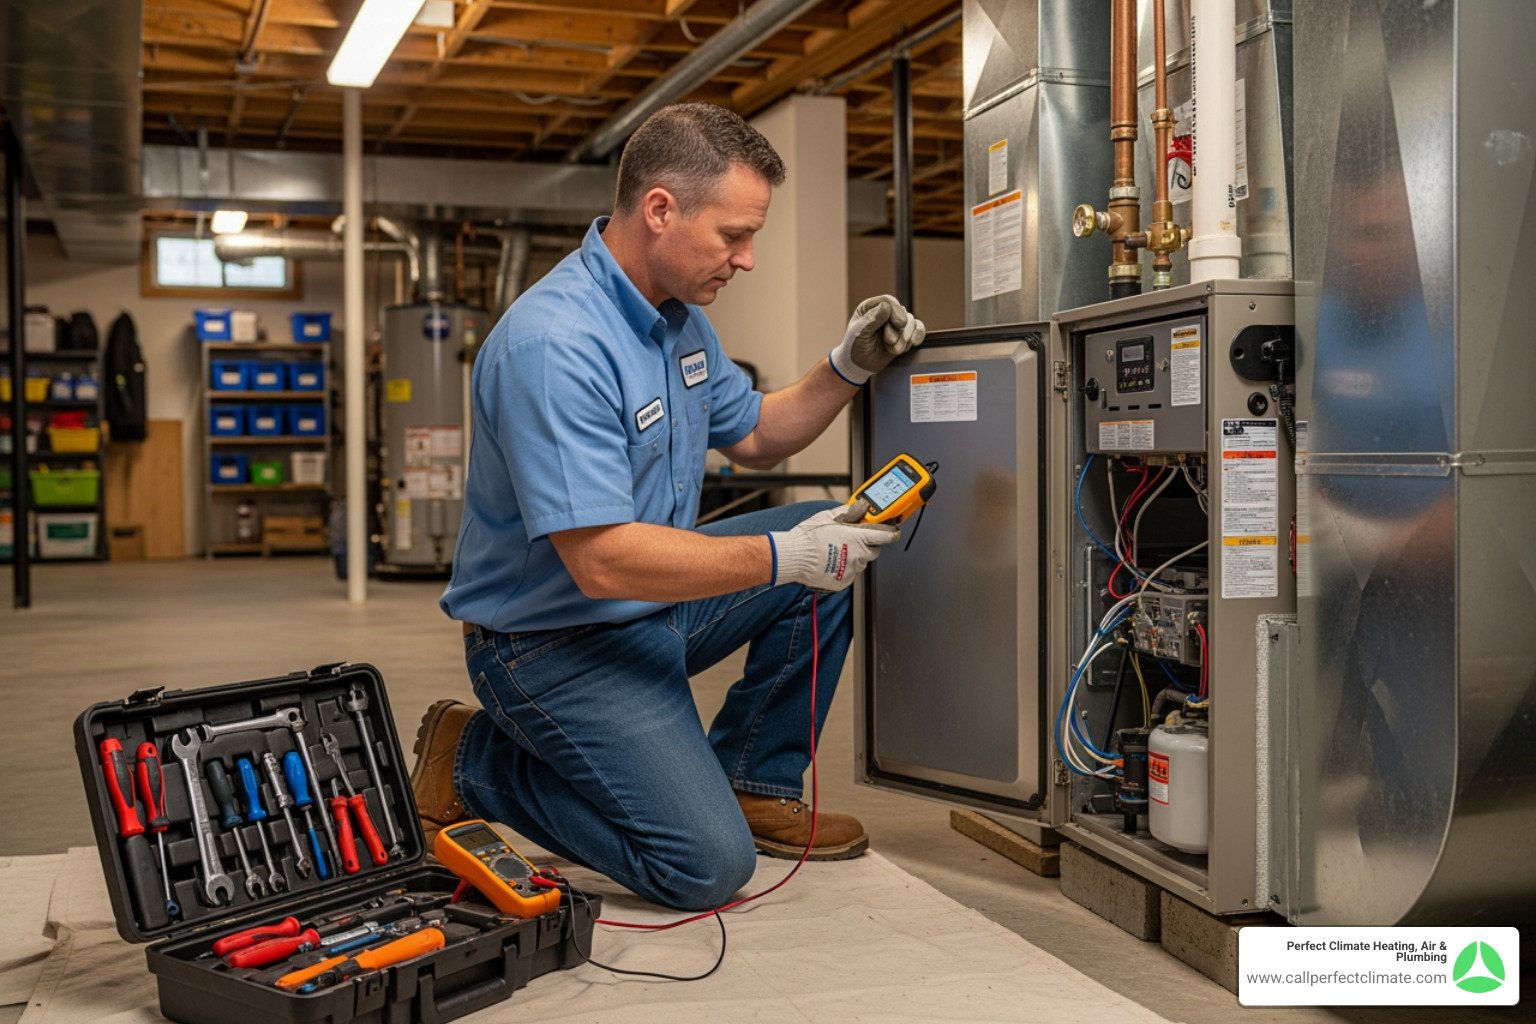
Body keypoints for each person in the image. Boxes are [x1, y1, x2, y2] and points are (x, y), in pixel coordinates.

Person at [414, 102, 925, 912]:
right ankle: (476, 759)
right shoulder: (554, 347)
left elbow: (756, 433)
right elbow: (603, 559)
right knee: (705, 868)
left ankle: (752, 778)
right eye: (733, 235)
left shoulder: (677, 323)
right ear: (660, 209)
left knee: (840, 523)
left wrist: (846, 367)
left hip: (650, 609)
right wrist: (783, 556)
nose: (748, 259)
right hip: (550, 646)